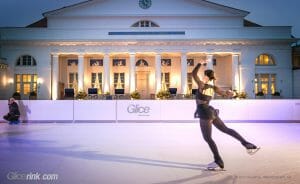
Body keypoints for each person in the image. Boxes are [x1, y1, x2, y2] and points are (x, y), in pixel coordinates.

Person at [192, 62, 259, 170]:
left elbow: (194, 73)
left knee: (207, 138)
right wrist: (230, 93)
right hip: (211, 111)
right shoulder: (214, 88)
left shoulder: (202, 85)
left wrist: (199, 63)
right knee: (226, 129)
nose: (202, 78)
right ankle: (246, 143)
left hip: (205, 113)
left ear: (206, 77)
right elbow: (225, 94)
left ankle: (218, 160)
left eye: (204, 76)